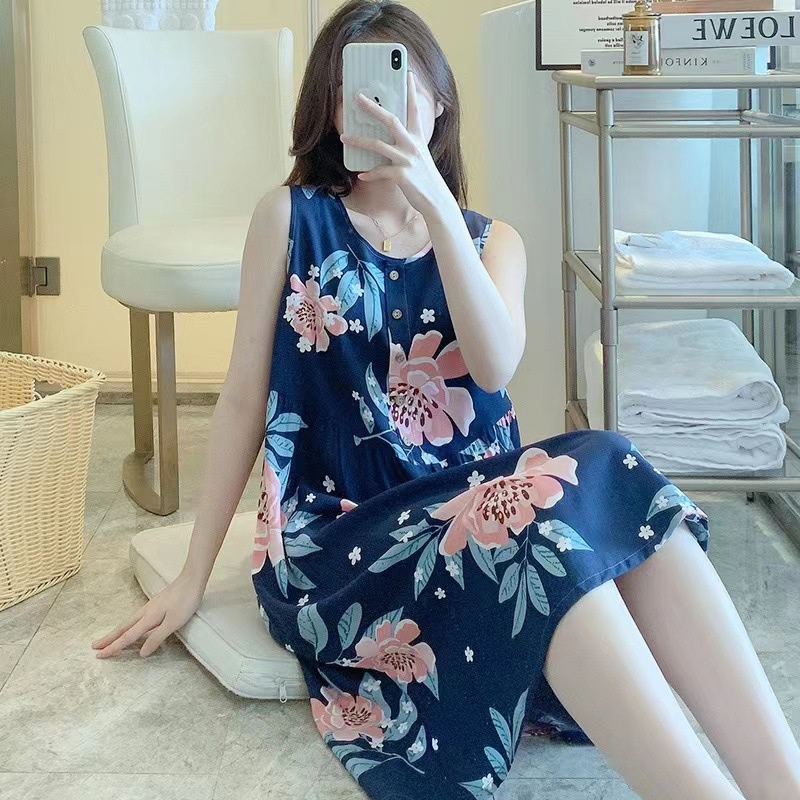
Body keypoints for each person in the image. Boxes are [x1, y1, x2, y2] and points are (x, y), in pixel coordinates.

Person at [91, 2, 800, 799]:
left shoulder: (494, 242)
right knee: (534, 526)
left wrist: (435, 210)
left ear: (439, 104)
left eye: (395, 87)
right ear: (326, 111)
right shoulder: (290, 218)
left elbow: (493, 366)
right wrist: (192, 576)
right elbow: (241, 402)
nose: (372, 109)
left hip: (481, 514)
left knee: (607, 461)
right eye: (348, 91)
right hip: (343, 542)